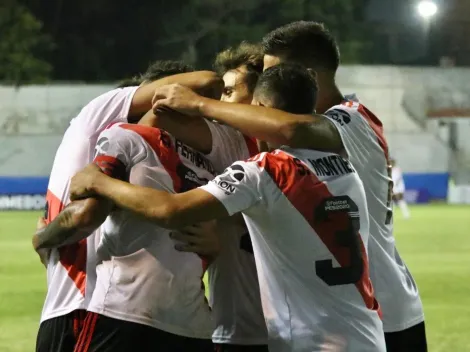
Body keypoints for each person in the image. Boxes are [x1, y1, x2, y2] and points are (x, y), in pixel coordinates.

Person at [149, 21, 427, 352]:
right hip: (356, 315)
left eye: (273, 74)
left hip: (380, 312)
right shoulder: (300, 151)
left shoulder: (349, 120)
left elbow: (293, 129)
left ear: (308, 75)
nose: (262, 88)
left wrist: (199, 105)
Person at [70, 63, 386, 352]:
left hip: (310, 342)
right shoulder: (346, 169)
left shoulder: (265, 170)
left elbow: (172, 210)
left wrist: (99, 182)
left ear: (261, 109)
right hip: (367, 336)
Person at [33, 60, 222, 352]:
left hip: (91, 304)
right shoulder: (202, 161)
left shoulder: (116, 130)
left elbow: (84, 216)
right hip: (190, 319)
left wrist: (41, 239)